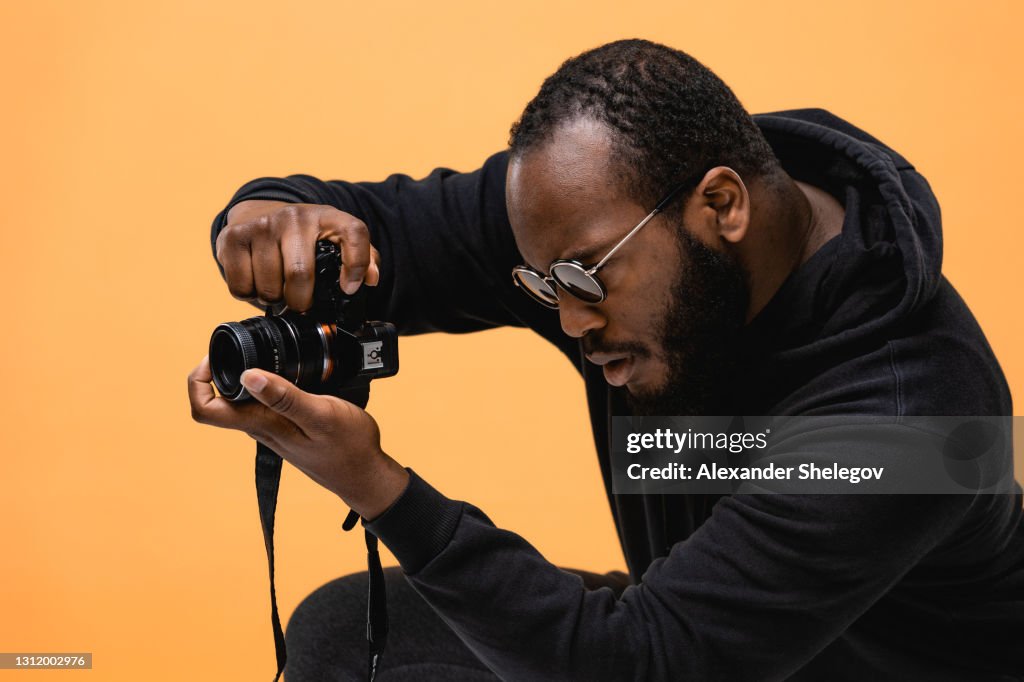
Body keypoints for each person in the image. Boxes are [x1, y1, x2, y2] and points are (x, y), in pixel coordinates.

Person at [188, 39, 1024, 680]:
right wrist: (269, 219)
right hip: (692, 640)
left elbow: (643, 665)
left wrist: (376, 487)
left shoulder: (920, 418)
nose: (570, 317)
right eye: (542, 283)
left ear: (722, 207)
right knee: (348, 636)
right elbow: (374, 234)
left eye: (584, 278)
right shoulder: (605, 221)